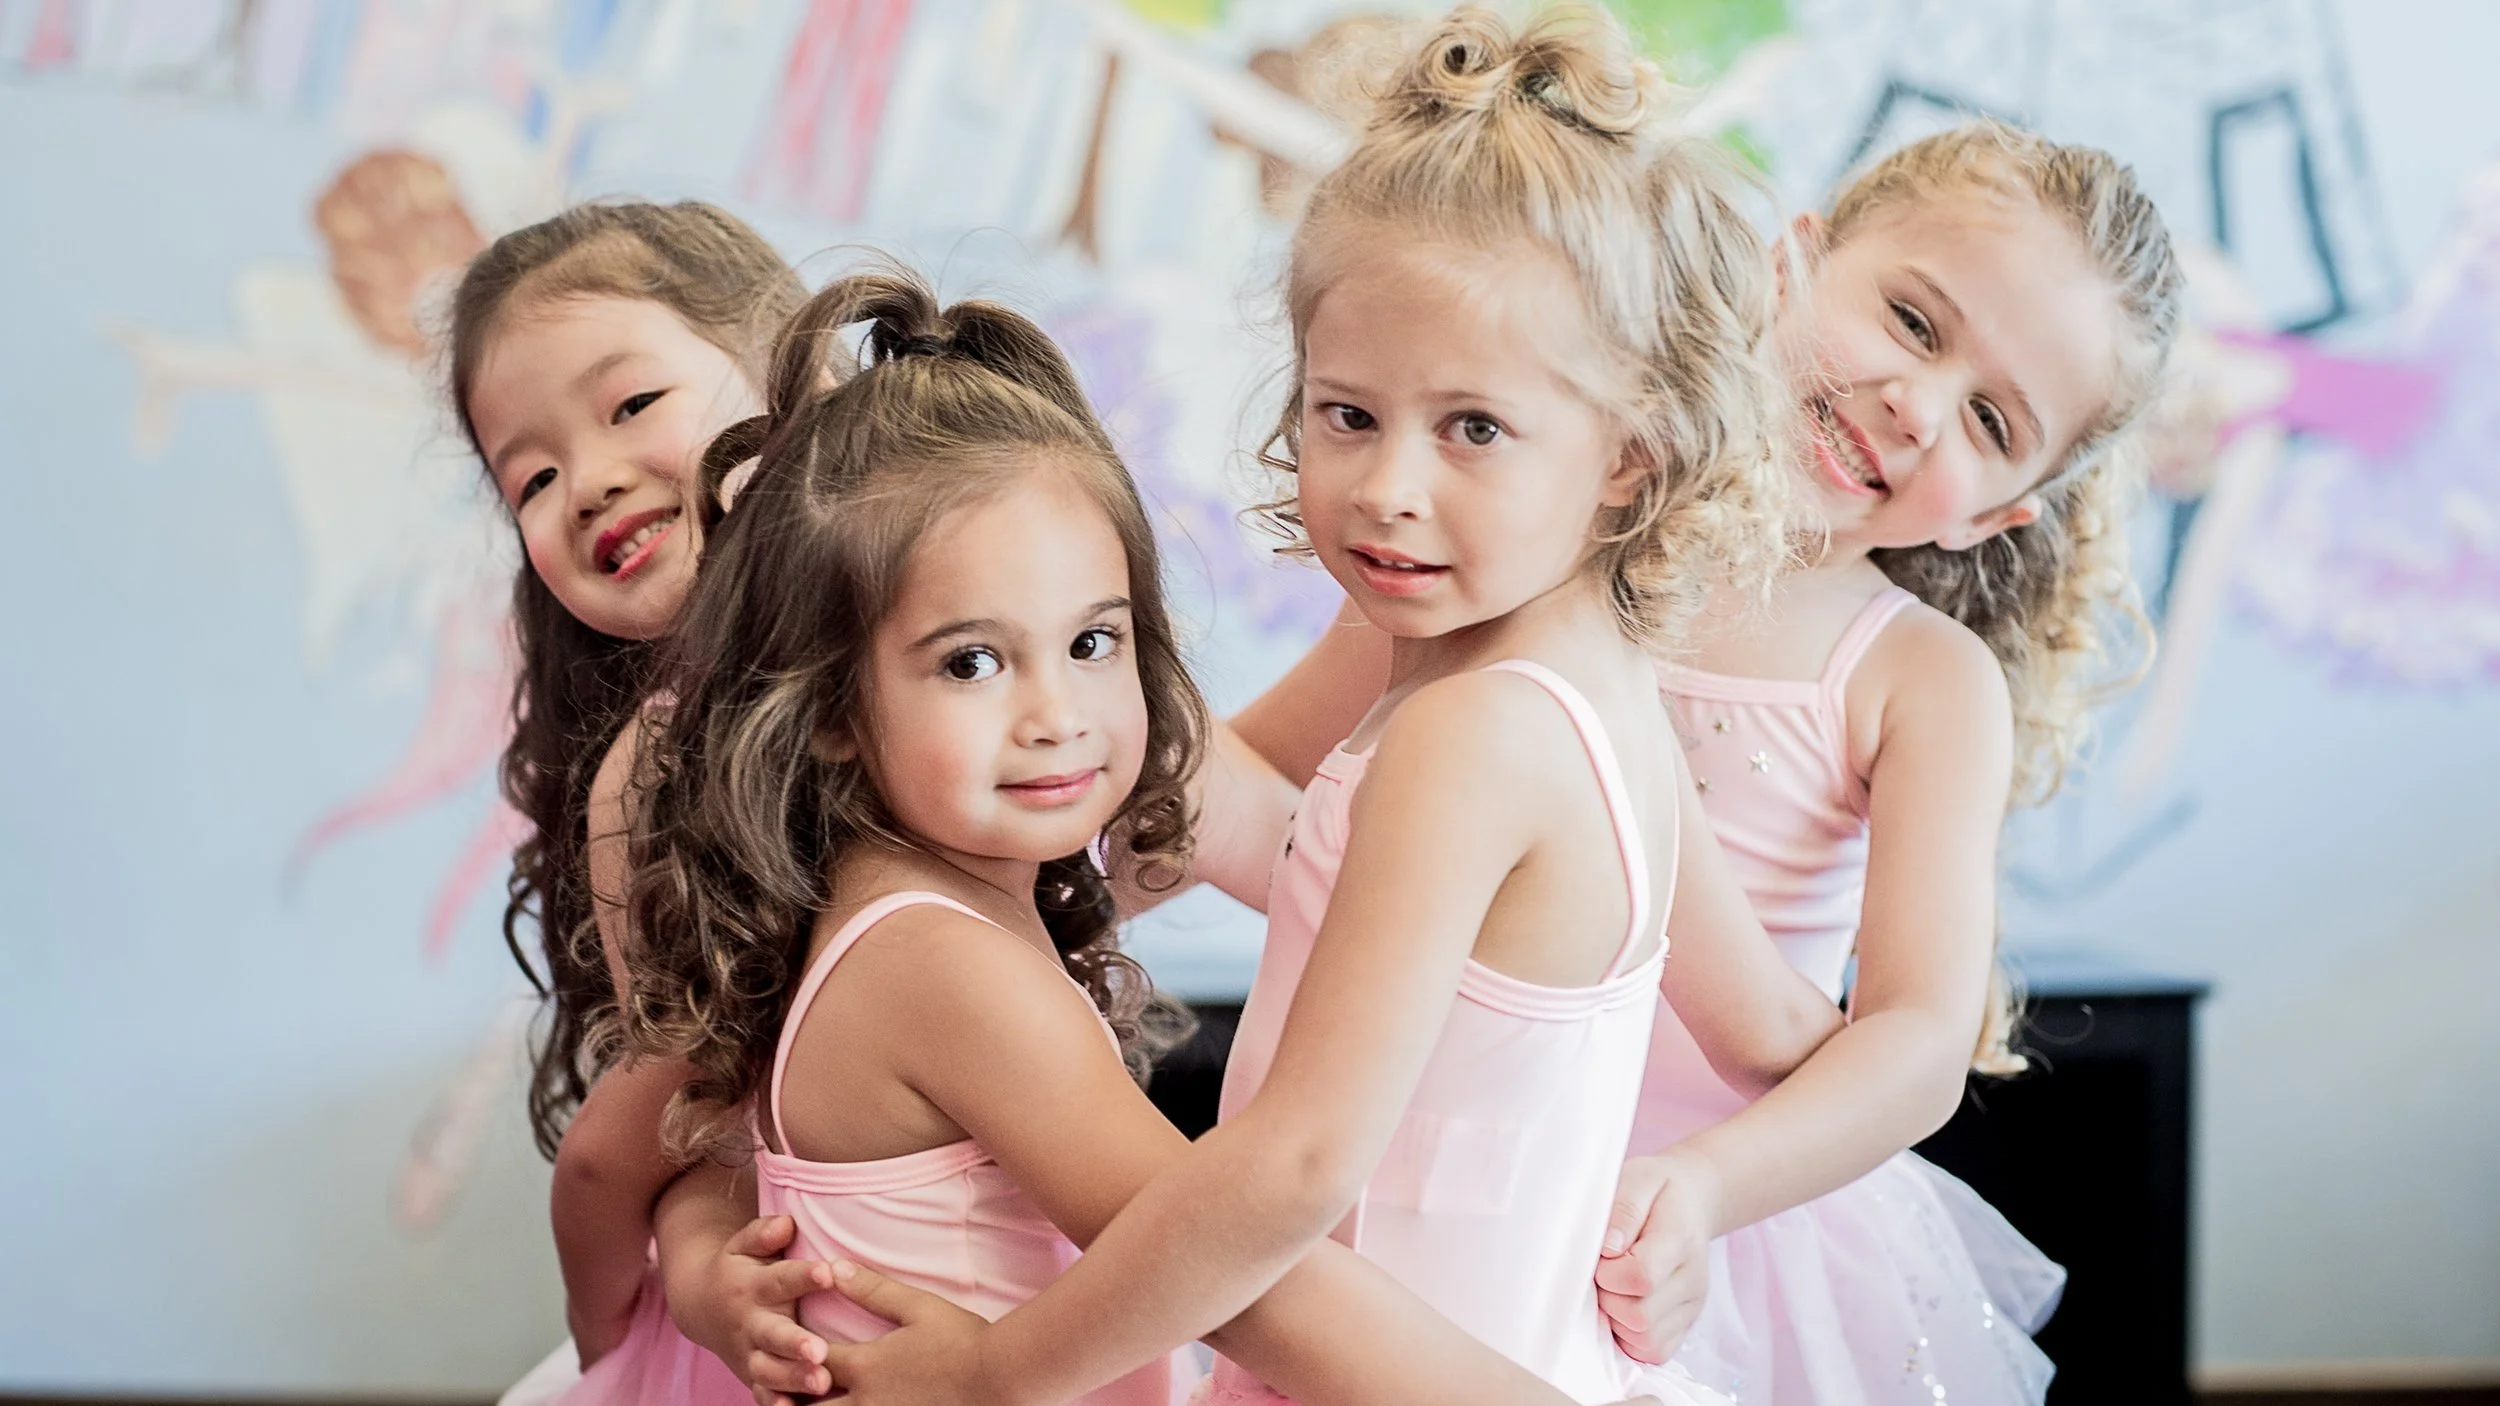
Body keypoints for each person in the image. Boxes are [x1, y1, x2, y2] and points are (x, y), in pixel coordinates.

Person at [805, 11, 1843, 1403]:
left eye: (1472, 428)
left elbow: (1294, 1168)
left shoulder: (1473, 737)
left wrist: (1001, 1374)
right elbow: (1289, 844)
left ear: (1629, 453)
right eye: (1346, 414)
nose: (1387, 487)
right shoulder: (1589, 685)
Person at [606, 265, 1675, 1406]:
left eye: (1093, 641)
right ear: (825, 708)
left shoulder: (897, 906)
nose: (1056, 713)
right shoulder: (941, 965)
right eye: (971, 660)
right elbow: (1242, 1281)